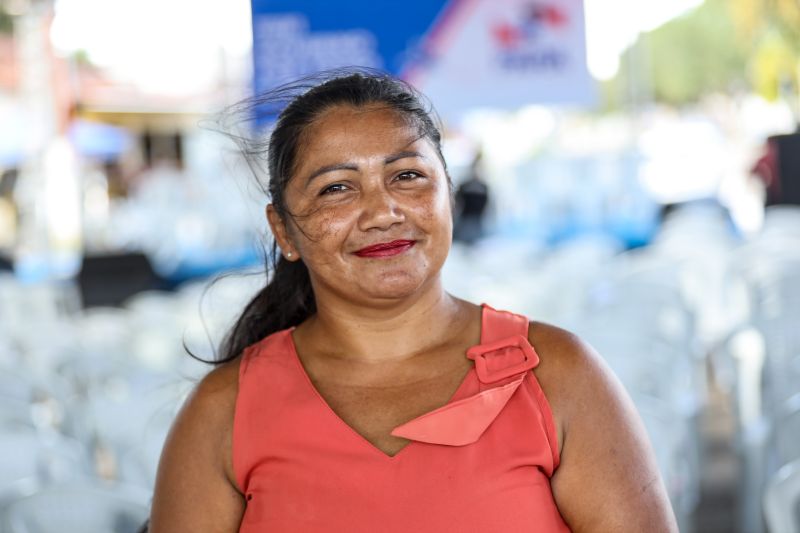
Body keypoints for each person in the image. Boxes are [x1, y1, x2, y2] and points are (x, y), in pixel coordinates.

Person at [147, 70, 678, 532]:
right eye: (336, 188)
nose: (382, 212)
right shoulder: (223, 412)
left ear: (448, 193)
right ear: (283, 230)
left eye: (407, 176)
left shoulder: (559, 375)